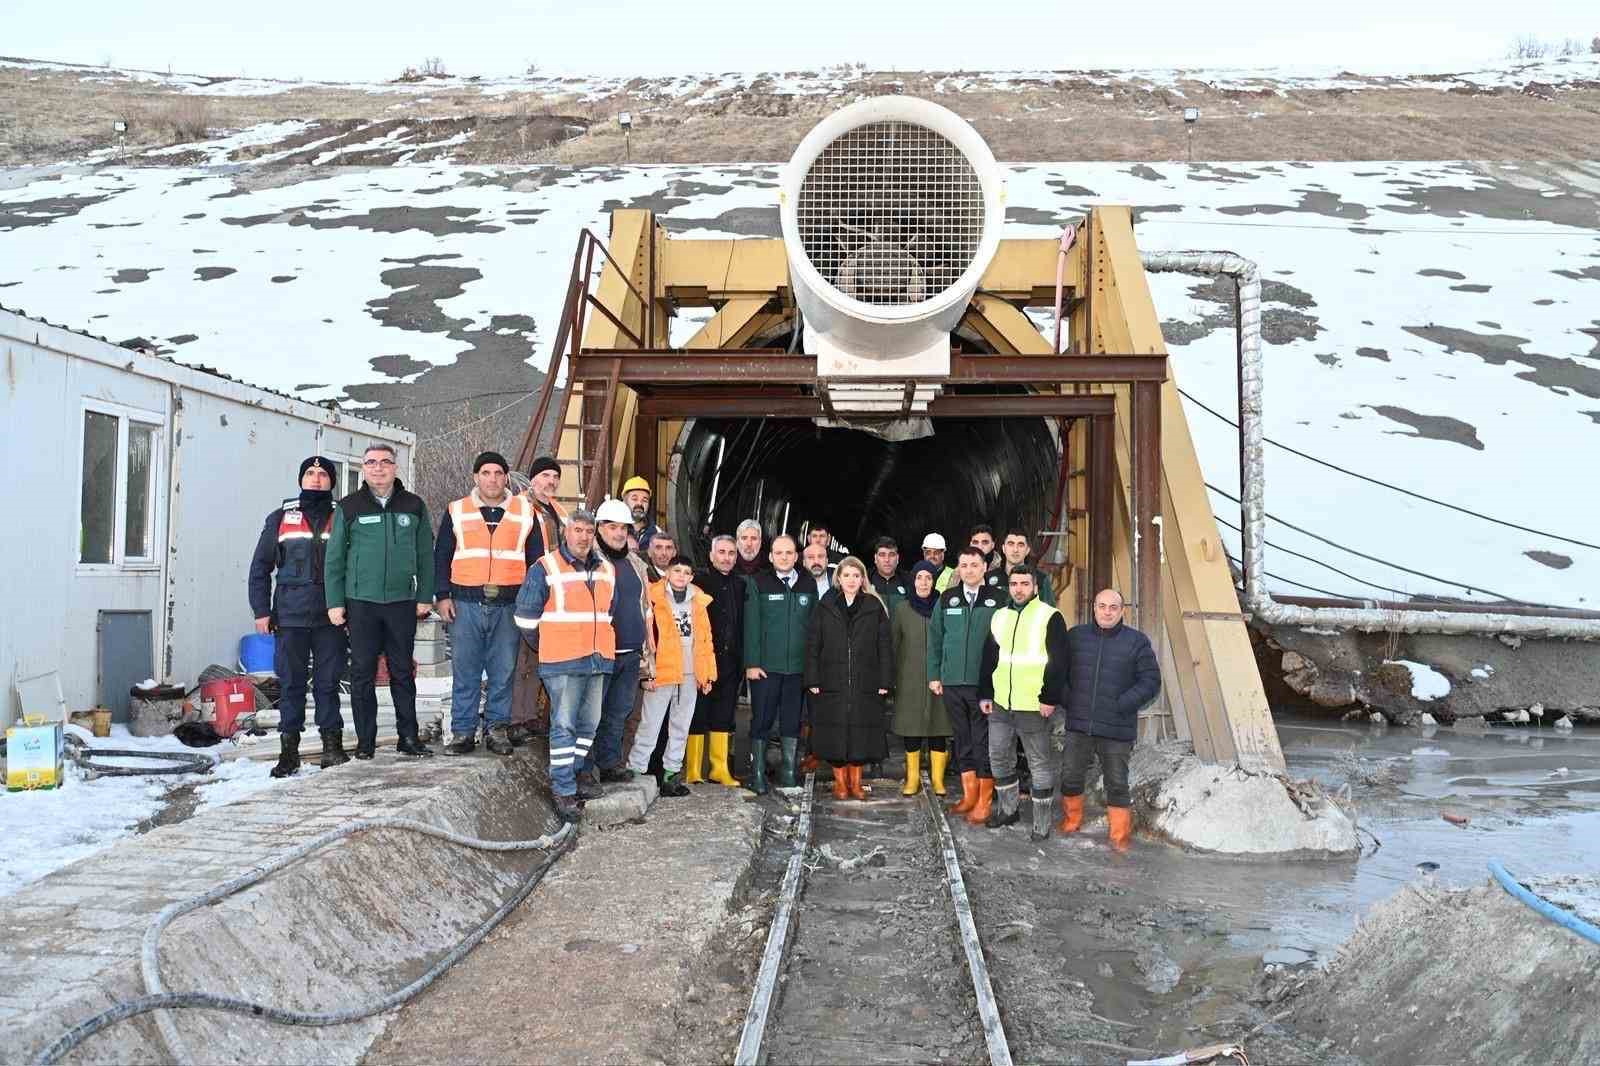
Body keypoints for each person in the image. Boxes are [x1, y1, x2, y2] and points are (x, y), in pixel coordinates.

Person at [325, 443, 434, 759]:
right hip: (361, 603)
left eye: (385, 462)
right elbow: (335, 559)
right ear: (364, 468)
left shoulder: (413, 505)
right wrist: (335, 602)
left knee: (402, 671)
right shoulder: (348, 506)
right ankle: (366, 742)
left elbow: (426, 554)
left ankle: (408, 738)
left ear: (395, 467)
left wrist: (424, 595)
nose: (378, 468)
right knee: (362, 673)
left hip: (402, 602)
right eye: (371, 462)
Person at [249, 456, 348, 777]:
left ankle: (332, 747)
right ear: (301, 479)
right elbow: (260, 568)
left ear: (332, 481)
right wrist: (261, 611)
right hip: (290, 617)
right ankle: (288, 752)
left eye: (323, 474)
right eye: (310, 473)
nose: (316, 479)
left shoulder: (344, 517)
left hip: (331, 618)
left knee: (328, 684)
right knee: (291, 685)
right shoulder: (280, 517)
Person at [435, 451, 539, 757]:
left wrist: (531, 604)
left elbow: (537, 564)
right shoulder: (457, 510)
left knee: (503, 671)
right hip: (465, 603)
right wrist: (442, 596)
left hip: (509, 605)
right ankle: (463, 732)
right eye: (485, 473)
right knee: (465, 671)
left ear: (506, 477)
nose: (491, 479)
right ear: (475, 477)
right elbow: (441, 555)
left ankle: (497, 730)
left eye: (497, 473)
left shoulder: (525, 512)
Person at [513, 509, 615, 822]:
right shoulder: (545, 567)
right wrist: (548, 646)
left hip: (598, 659)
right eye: (578, 530)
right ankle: (563, 788)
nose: (583, 537)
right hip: (563, 661)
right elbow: (525, 617)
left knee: (589, 725)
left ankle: (571, 775)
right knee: (565, 725)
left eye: (588, 531)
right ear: (566, 533)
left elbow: (608, 612)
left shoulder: (606, 569)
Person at [1059, 589, 1162, 851]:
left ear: (1122, 611)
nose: (1107, 611)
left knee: (1117, 783)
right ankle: (1072, 821)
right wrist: (1070, 701)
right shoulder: (1075, 637)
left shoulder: (1136, 642)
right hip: (1079, 723)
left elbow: (1151, 681)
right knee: (1071, 776)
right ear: (1093, 608)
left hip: (1117, 727)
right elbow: (1058, 672)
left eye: (1113, 607)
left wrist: (1122, 705)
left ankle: (1119, 836)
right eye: (1102, 606)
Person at [977, 567, 1071, 840]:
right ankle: (1009, 810)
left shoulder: (1049, 616)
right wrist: (986, 694)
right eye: (1014, 583)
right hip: (1000, 704)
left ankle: (1041, 824)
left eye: (1024, 584)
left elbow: (1059, 661)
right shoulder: (1000, 616)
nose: (1019, 588)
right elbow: (989, 658)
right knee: (998, 757)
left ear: (1035, 586)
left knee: (1039, 764)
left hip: (1033, 704)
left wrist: (1049, 697)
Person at [927, 546, 1004, 823]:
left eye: (975, 565)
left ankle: (984, 800)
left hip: (983, 684)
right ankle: (969, 795)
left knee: (982, 740)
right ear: (958, 569)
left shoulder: (999, 600)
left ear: (985, 567)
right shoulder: (947, 599)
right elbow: (936, 639)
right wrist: (935, 674)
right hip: (952, 682)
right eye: (964, 565)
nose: (969, 570)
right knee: (962, 739)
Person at [805, 557, 892, 801]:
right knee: (834, 731)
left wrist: (885, 680)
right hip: (832, 678)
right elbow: (813, 643)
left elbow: (884, 646)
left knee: (861, 731)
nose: (851, 580)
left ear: (862, 579)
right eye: (847, 576)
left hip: (866, 679)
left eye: (856, 576)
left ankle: (856, 783)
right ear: (839, 579)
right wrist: (812, 678)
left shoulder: (874, 606)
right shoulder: (826, 605)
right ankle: (840, 783)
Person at [629, 555, 716, 796]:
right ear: (667, 572)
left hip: (690, 673)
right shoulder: (653, 596)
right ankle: (635, 771)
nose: (681, 576)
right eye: (676, 570)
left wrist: (706, 673)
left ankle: (671, 775)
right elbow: (646, 637)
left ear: (691, 577)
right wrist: (646, 672)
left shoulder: (698, 601)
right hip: (662, 671)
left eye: (686, 572)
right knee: (650, 724)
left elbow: (706, 640)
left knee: (681, 725)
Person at [584, 497, 653, 789]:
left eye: (623, 528)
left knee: (618, 713)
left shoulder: (635, 563)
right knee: (590, 714)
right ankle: (585, 768)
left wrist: (647, 653)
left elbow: (646, 609)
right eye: (612, 527)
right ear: (599, 528)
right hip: (600, 653)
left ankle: (610, 763)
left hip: (630, 653)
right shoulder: (589, 561)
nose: (618, 533)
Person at [742, 534, 814, 793]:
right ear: (771, 556)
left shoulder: (808, 584)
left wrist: (812, 666)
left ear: (796, 556)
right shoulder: (758, 582)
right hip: (766, 668)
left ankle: (788, 770)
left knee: (792, 720)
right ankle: (758, 772)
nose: (784, 557)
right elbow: (751, 626)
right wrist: (751, 662)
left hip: (797, 668)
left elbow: (813, 629)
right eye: (779, 553)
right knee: (762, 718)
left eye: (789, 553)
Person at [509, 455, 569, 745]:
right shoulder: (520, 506)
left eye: (555, 477)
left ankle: (530, 714)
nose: (551, 481)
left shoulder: (557, 510)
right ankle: (516, 718)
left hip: (552, 591)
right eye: (546, 476)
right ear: (533, 479)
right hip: (527, 589)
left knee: (538, 656)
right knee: (522, 658)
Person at [890, 561, 950, 796]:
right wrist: (891, 677)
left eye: (928, 578)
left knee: (939, 726)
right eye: (919, 578)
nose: (923, 582)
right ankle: (912, 777)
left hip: (939, 676)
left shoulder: (943, 606)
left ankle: (937, 779)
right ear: (912, 581)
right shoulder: (902, 609)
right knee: (911, 726)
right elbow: (894, 644)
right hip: (909, 677)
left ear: (934, 581)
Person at [691, 535, 744, 787]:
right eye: (721, 552)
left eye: (731, 553)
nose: (726, 557)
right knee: (698, 713)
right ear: (711, 556)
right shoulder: (698, 582)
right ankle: (692, 770)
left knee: (723, 714)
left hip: (731, 661)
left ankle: (719, 769)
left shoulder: (740, 584)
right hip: (703, 660)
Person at [1001, 529, 1056, 605]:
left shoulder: (1041, 579)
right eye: (1011, 544)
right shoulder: (989, 577)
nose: (1015, 550)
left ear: (1027, 550)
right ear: (1003, 548)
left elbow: (1050, 612)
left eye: (1021, 545)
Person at [621, 474, 661, 555]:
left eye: (645, 500)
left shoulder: (657, 533)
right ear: (624, 502)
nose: (639, 503)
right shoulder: (614, 529)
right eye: (634, 499)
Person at [869, 537, 909, 617]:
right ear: (875, 558)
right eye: (882, 555)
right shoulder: (865, 580)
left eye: (891, 555)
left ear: (897, 558)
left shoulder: (909, 581)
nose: (887, 560)